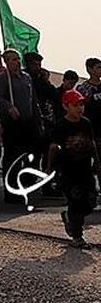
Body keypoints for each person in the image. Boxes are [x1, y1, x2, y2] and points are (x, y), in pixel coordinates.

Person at [48, 89, 101, 248]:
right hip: (68, 172)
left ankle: (69, 219)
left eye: (81, 105)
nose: (79, 108)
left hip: (85, 170)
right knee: (76, 201)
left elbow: (92, 145)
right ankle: (77, 236)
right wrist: (49, 168)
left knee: (90, 201)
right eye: (75, 105)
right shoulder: (61, 125)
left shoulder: (85, 123)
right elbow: (53, 147)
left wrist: (97, 164)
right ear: (66, 106)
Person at [0, 48, 41, 204]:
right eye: (13, 59)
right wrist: (9, 107)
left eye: (17, 59)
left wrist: (37, 119)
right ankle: (11, 190)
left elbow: (32, 99)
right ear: (6, 62)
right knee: (12, 157)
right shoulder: (3, 79)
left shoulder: (26, 78)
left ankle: (27, 185)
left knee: (31, 155)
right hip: (13, 123)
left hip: (28, 122)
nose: (17, 62)